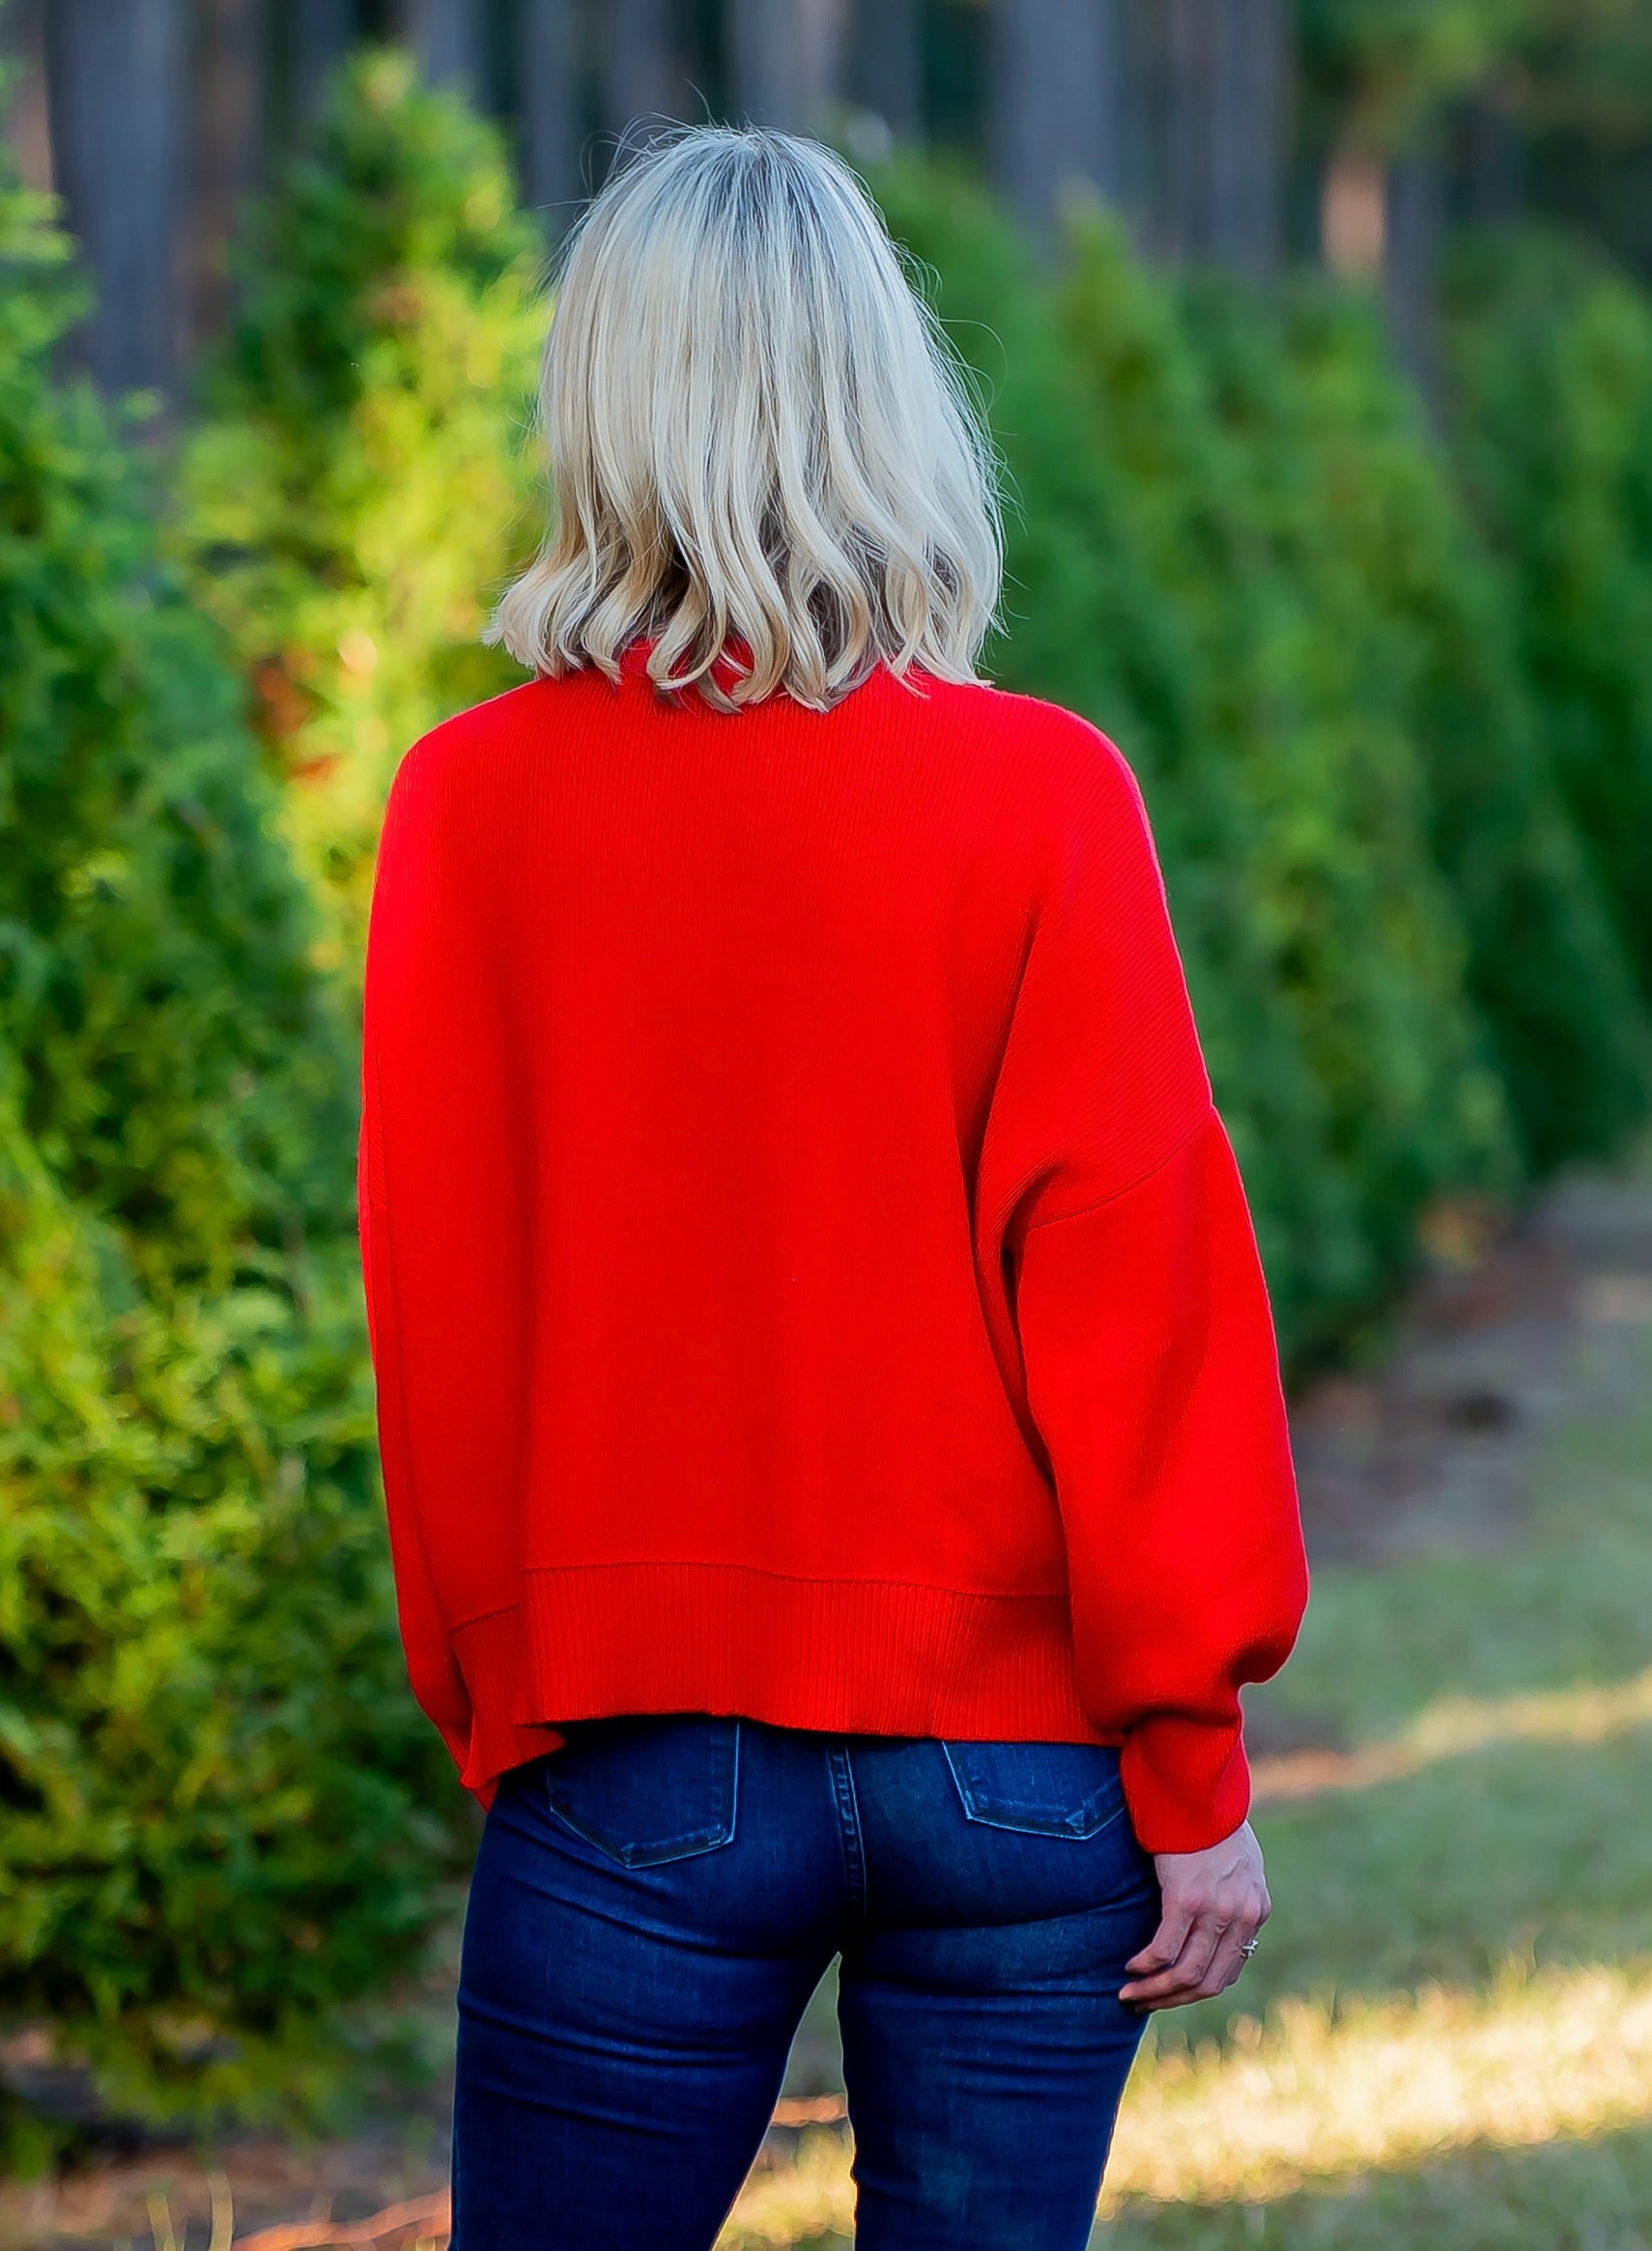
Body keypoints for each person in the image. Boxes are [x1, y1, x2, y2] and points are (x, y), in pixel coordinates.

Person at [357, 123, 1309, 2251]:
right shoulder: (1041, 796)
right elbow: (1133, 1290)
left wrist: (499, 1700)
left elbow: (440, 1302)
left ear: (596, 402)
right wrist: (1187, 1759)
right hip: (1020, 1766)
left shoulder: (466, 810)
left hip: (628, 1743)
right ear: (886, 396)